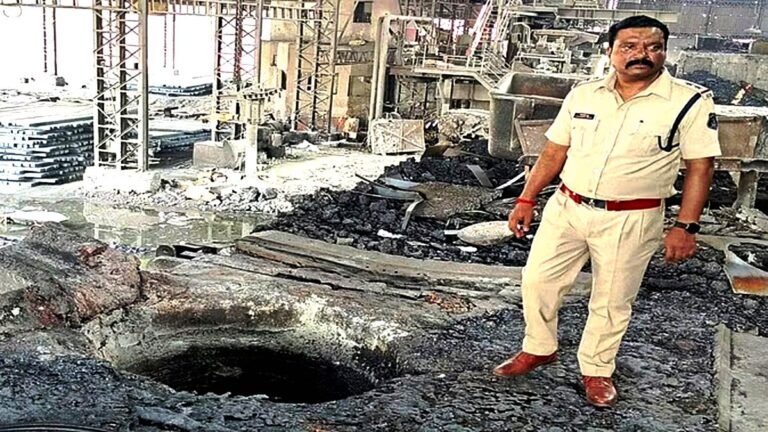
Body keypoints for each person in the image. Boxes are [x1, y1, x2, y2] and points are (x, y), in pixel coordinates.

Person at [492, 15, 722, 408]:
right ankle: (539, 347)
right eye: (629, 46)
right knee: (538, 281)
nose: (641, 54)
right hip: (567, 206)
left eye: (653, 47)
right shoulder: (584, 95)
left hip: (632, 217)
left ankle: (597, 370)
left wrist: (686, 226)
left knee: (613, 299)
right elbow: (554, 152)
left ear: (665, 52)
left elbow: (701, 167)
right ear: (611, 51)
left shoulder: (689, 102)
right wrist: (526, 199)